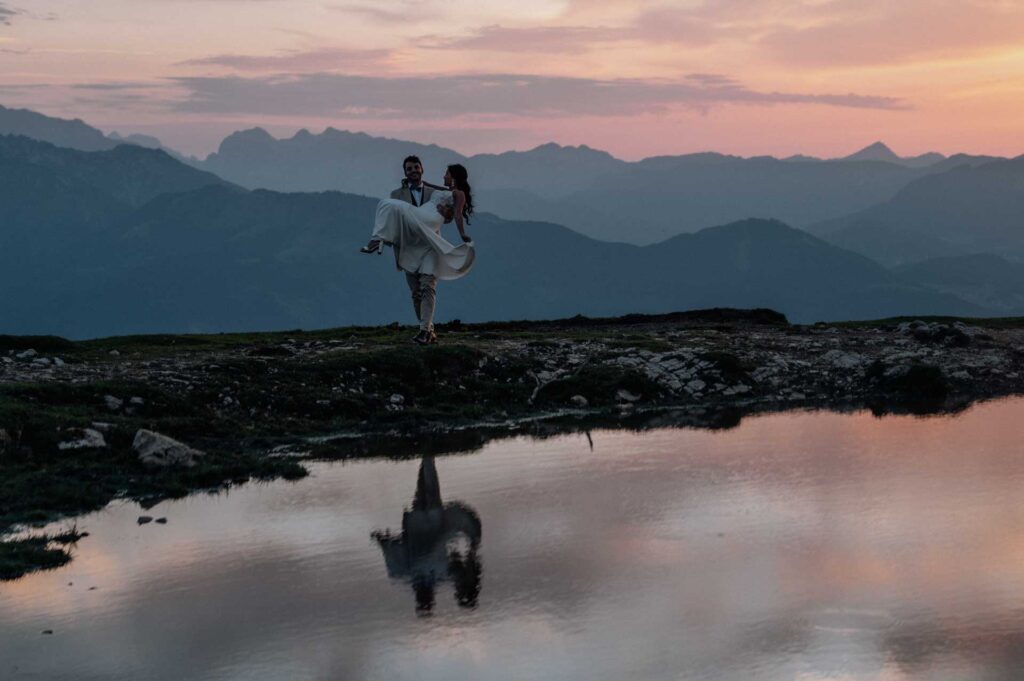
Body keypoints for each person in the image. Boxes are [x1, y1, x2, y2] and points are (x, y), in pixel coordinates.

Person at [361, 158, 475, 345]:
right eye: (409, 169)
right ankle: (427, 331)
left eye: (416, 167)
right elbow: (396, 222)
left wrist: (461, 232)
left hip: (429, 241)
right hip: (410, 247)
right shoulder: (399, 193)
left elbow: (453, 216)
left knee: (428, 285)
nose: (413, 171)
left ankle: (377, 240)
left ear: (422, 169)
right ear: (405, 172)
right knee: (416, 293)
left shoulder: (438, 193)